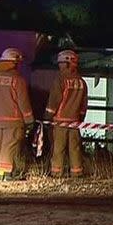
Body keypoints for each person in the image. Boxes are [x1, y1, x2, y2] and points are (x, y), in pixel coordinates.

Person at [0, 48, 34, 181]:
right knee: (9, 147)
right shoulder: (18, 80)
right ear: (15, 63)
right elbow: (23, 102)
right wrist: (29, 120)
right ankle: (6, 174)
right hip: (13, 121)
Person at [45, 50, 88, 178]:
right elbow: (84, 105)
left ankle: (56, 173)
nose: (60, 66)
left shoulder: (60, 80)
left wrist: (47, 117)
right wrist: (80, 118)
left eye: (61, 63)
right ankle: (77, 172)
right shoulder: (81, 82)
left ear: (67, 63)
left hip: (60, 121)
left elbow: (54, 101)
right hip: (75, 121)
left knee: (58, 148)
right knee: (75, 148)